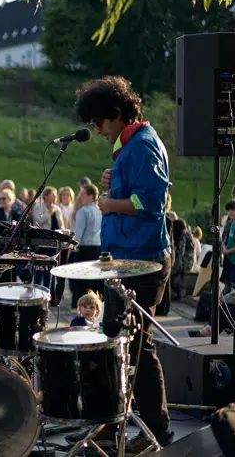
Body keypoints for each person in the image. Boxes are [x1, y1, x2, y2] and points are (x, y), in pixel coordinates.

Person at [73, 76, 173, 451]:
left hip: (143, 263)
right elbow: (140, 190)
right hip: (127, 260)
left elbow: (153, 203)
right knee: (119, 347)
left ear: (116, 114)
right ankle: (113, 424)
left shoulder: (144, 145)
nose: (96, 130)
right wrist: (113, 183)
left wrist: (109, 203)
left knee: (140, 352)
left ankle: (156, 434)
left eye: (97, 122)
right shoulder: (131, 146)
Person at [69, 184, 103, 307]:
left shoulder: (82, 212)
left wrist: (71, 249)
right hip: (97, 248)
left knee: (81, 279)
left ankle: (80, 304)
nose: (80, 197)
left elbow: (78, 235)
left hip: (84, 249)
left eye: (83, 195)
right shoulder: (101, 210)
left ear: (91, 196)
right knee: (94, 279)